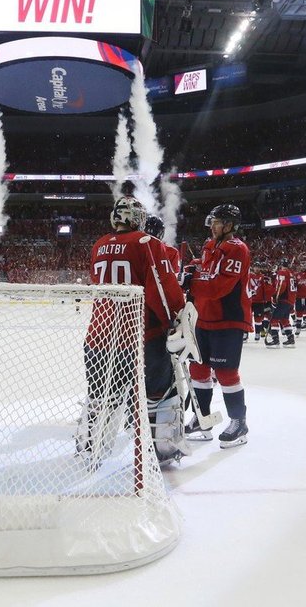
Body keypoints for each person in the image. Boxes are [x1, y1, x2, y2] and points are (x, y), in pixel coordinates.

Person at [86, 197, 186, 464]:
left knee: (101, 397)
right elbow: (162, 293)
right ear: (136, 218)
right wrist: (175, 320)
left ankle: (90, 448)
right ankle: (162, 451)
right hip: (141, 336)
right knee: (160, 393)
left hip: (99, 335)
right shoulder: (148, 243)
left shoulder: (98, 245)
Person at [184, 204, 252, 448]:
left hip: (227, 319)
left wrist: (191, 282)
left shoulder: (237, 249)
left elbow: (218, 287)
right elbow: (204, 266)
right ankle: (202, 419)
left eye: (218, 222)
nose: (213, 226)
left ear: (231, 225)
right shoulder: (210, 245)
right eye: (212, 222)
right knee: (198, 370)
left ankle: (239, 423)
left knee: (226, 374)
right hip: (203, 318)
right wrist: (192, 267)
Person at [266, 257, 296, 347]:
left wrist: (275, 297)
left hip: (284, 299)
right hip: (290, 300)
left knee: (274, 319)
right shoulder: (291, 273)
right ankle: (290, 339)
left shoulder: (282, 272)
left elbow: (281, 285)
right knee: (284, 319)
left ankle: (275, 340)